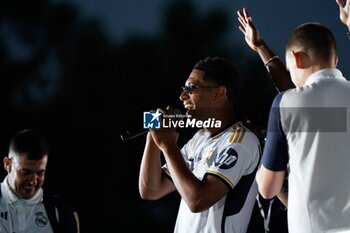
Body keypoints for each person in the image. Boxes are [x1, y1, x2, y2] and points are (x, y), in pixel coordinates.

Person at [138, 56, 261, 233]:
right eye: (183, 89)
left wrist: (167, 145)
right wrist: (154, 136)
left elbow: (197, 200)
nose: (182, 96)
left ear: (219, 93)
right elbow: (150, 190)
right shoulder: (198, 140)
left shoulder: (241, 141)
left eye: (191, 88)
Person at [250, 18, 350, 233]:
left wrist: (261, 168)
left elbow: (268, 189)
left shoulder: (286, 103)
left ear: (297, 59)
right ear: (336, 60)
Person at [0, 129, 80, 233]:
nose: (33, 181)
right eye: (26, 172)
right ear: (8, 164)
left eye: (40, 173)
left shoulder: (60, 211)